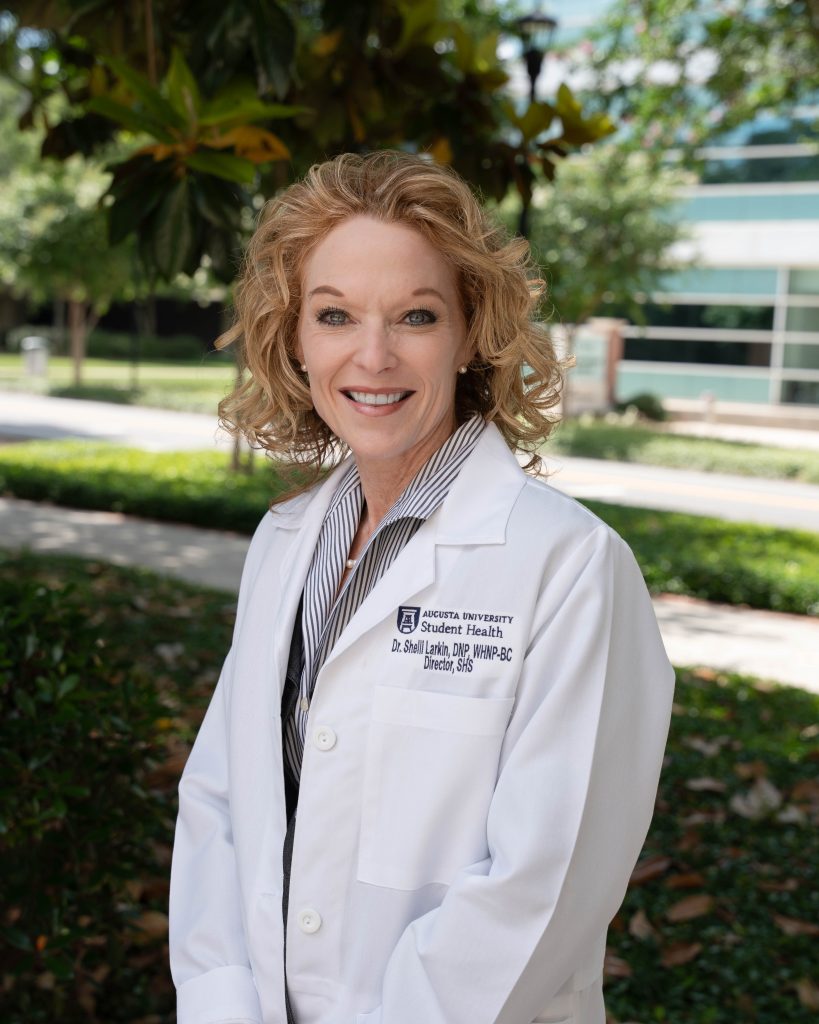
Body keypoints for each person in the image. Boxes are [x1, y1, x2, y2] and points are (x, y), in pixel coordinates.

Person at [169, 150, 675, 1024]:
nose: (372, 356)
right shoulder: (282, 544)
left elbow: (543, 886)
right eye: (334, 315)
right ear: (294, 336)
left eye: (415, 315)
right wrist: (222, 1004)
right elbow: (220, 802)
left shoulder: (570, 567)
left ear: (470, 332)